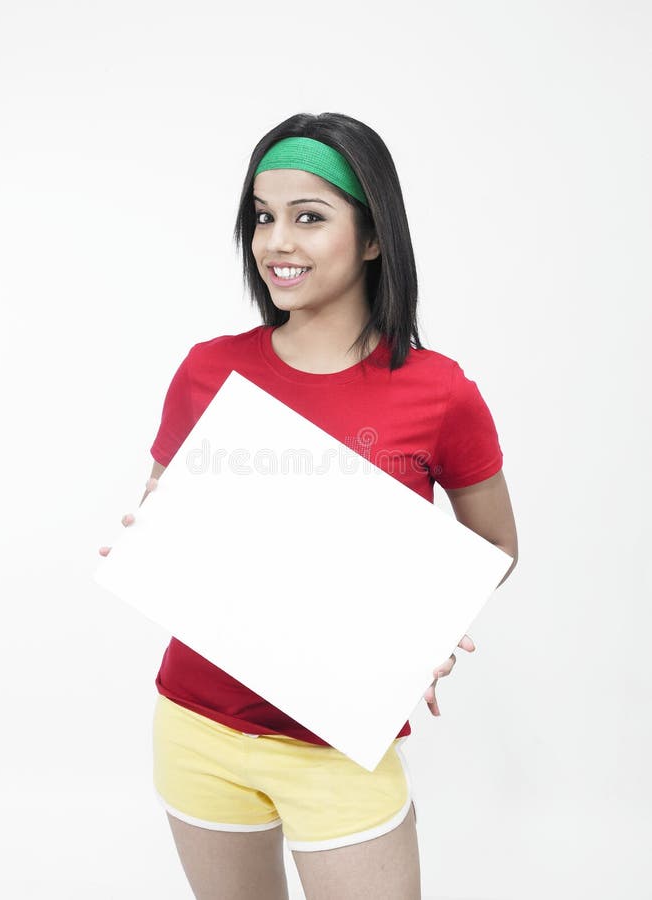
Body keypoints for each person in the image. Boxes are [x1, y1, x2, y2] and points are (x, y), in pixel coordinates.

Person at [99, 112, 518, 900]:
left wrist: (422, 624)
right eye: (262, 217)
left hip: (339, 744)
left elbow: (491, 551)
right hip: (196, 726)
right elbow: (163, 513)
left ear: (371, 237)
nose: (275, 242)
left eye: (309, 217)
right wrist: (151, 541)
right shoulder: (207, 370)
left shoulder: (438, 391)